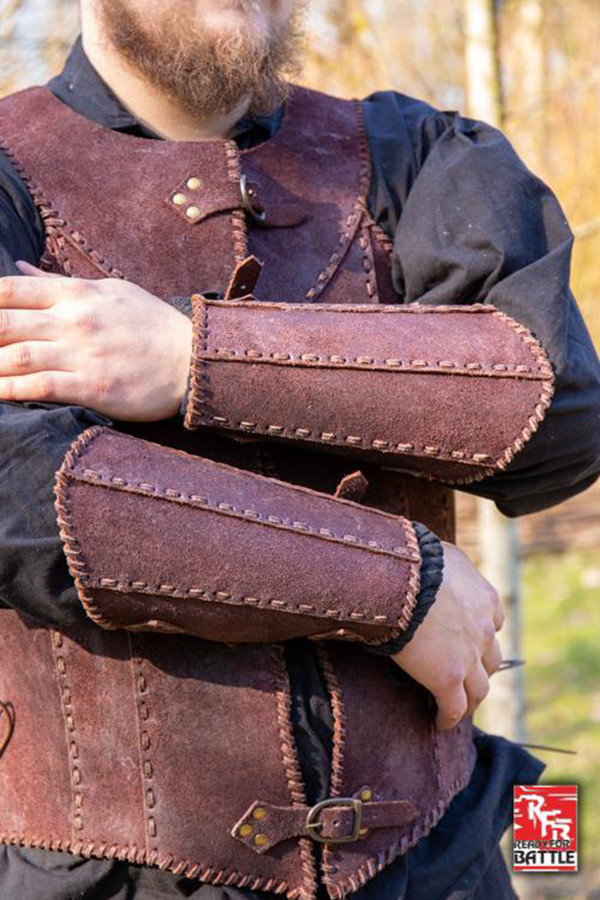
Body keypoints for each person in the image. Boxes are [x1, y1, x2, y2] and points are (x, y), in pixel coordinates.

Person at [0, 2, 598, 899]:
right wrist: (406, 586)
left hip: (438, 857)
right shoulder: (9, 175)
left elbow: (556, 412)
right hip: (106, 876)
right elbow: (23, 496)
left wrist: (190, 357)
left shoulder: (412, 154)